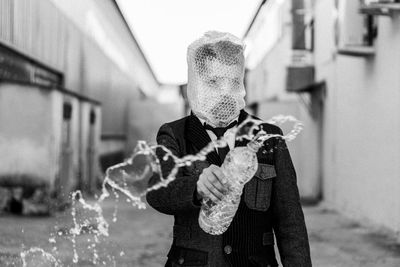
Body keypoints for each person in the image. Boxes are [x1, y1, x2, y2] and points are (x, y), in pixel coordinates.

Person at [146, 31, 312, 267]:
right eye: (214, 81)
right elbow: (157, 192)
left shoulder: (267, 135)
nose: (225, 91)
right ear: (195, 82)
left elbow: (290, 220)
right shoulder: (175, 134)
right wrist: (196, 187)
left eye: (232, 81)